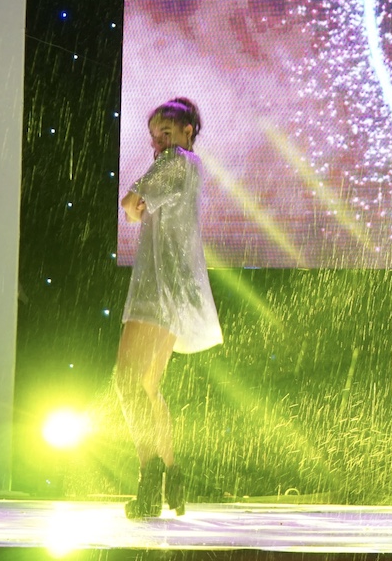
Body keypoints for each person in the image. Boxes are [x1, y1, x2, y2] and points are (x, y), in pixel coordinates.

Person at [117, 97, 222, 520]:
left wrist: (135, 203)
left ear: (187, 132)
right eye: (154, 135)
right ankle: (172, 477)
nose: (157, 141)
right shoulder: (189, 166)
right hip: (172, 289)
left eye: (165, 131)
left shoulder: (175, 160)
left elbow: (130, 204)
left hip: (156, 289)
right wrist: (137, 206)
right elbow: (136, 210)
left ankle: (149, 477)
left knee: (127, 381)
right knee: (147, 386)